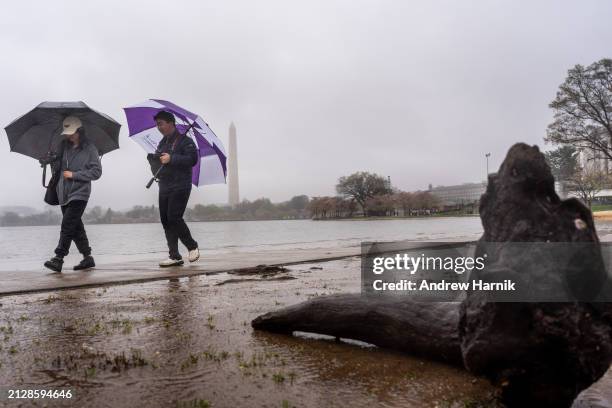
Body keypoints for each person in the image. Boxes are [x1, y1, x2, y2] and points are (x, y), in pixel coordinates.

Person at [43, 116, 102, 272]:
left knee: (67, 224)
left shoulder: (90, 148)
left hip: (80, 193)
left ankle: (58, 258)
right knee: (76, 227)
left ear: (79, 131)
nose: (69, 135)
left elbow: (97, 172)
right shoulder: (63, 146)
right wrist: (47, 160)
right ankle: (88, 258)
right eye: (67, 132)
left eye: (71, 132)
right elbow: (58, 167)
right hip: (63, 194)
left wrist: (74, 175)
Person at [153, 110, 200, 267]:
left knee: (174, 217)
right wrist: (154, 162)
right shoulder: (162, 143)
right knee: (166, 220)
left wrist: (172, 158)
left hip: (181, 185)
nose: (158, 127)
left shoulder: (186, 141)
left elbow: (192, 159)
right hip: (164, 184)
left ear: (170, 123)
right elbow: (160, 162)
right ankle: (174, 256)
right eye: (157, 124)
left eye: (160, 124)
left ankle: (192, 246)